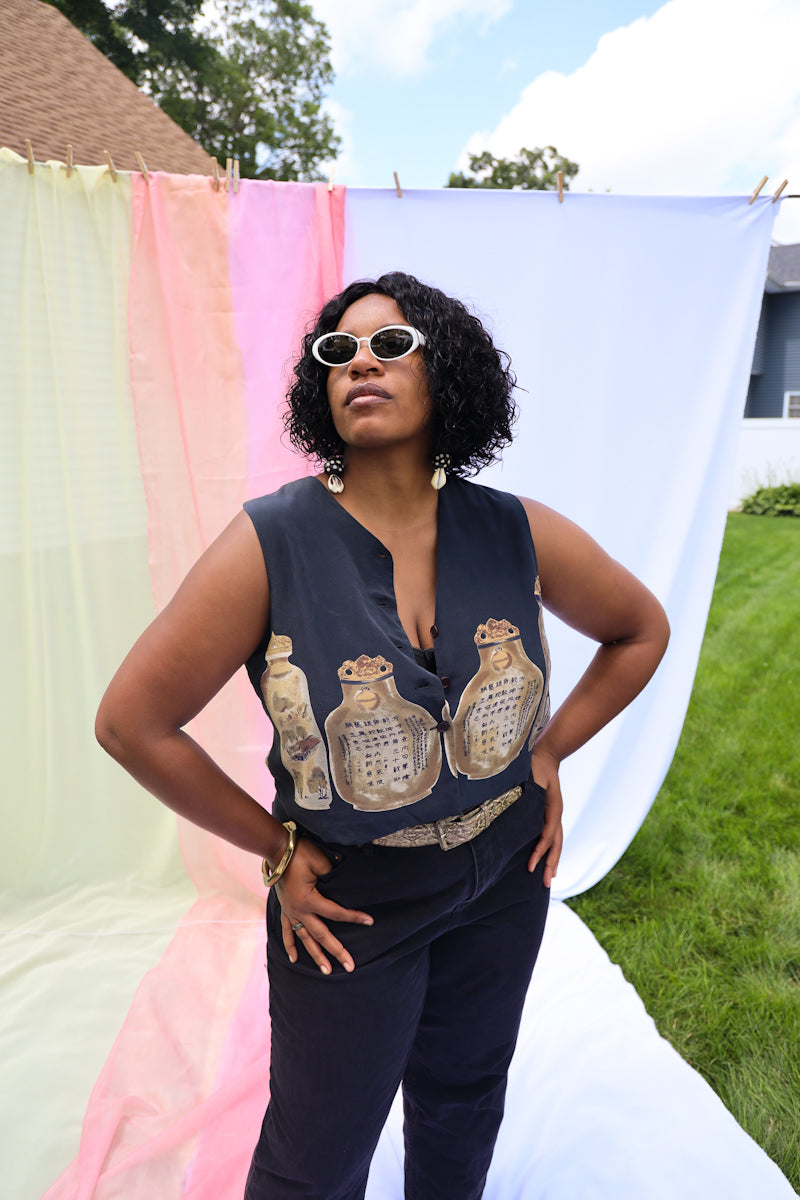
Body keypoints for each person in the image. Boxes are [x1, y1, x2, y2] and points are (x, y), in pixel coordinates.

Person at [95, 270, 670, 1200]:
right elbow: (131, 723)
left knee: (464, 1099)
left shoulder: (514, 529)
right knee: (315, 1158)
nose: (360, 362)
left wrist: (548, 750)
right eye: (339, 352)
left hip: (508, 871)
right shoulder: (271, 542)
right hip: (356, 904)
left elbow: (639, 629)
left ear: (447, 372)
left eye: (391, 344)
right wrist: (276, 845)